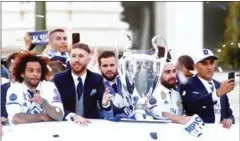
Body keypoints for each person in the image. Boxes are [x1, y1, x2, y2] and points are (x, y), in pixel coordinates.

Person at [53, 43, 111, 125]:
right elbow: (55, 106)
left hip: (91, 125)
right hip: (66, 125)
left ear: (88, 60)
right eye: (73, 56)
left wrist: (105, 104)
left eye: (81, 56)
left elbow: (104, 105)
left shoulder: (97, 79)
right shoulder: (59, 79)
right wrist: (72, 116)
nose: (76, 60)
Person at [181, 49, 235, 128]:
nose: (209, 67)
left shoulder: (219, 85)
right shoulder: (188, 84)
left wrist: (229, 119)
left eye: (212, 62)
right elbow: (192, 105)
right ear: (195, 66)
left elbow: (228, 113)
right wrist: (217, 93)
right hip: (198, 134)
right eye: (204, 63)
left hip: (220, 134)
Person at [5, 53, 64, 124]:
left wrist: (44, 103)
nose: (35, 74)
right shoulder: (14, 89)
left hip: (48, 132)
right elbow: (16, 118)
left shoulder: (50, 86)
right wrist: (42, 116)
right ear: (22, 74)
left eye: (38, 71)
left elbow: (59, 115)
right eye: (31, 70)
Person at [98, 51, 131, 118]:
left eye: (112, 65)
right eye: (105, 66)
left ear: (117, 66)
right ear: (99, 68)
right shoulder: (96, 87)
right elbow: (103, 117)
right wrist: (106, 105)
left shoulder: (126, 82)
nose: (109, 69)